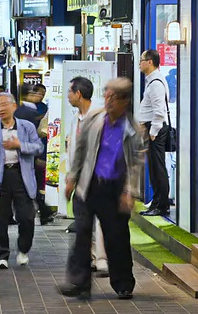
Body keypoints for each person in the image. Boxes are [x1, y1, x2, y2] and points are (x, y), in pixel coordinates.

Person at [59, 77, 144, 300]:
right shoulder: (95, 120)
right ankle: (79, 283)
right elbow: (80, 150)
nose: (108, 101)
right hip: (89, 185)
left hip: (115, 189)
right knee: (82, 233)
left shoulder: (133, 129)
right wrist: (72, 178)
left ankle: (123, 283)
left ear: (124, 101)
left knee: (117, 237)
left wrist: (130, 191)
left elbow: (136, 165)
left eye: (113, 98)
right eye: (106, 96)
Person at [0, 93, 44, 269]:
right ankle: (1, 255)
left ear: (14, 106)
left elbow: (38, 147)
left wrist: (20, 145)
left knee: (26, 216)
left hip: (21, 174)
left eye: (4, 105)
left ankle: (23, 249)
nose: (1, 109)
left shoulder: (26, 127)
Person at [67, 76, 108, 276]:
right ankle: (90, 258)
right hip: (80, 178)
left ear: (79, 94)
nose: (68, 96)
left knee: (100, 220)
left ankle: (102, 259)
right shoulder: (75, 118)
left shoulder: (100, 118)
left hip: (98, 177)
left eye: (70, 92)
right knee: (83, 221)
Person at [137, 49, 170, 217]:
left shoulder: (156, 83)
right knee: (154, 168)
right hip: (151, 129)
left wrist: (154, 131)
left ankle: (161, 205)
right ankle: (157, 203)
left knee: (158, 168)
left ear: (150, 62)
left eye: (142, 60)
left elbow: (160, 111)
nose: (139, 63)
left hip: (155, 130)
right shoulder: (152, 81)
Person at [15, 83, 52, 224]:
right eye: (37, 93)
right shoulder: (25, 112)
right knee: (31, 185)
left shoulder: (29, 110)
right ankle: (41, 211)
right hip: (30, 154)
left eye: (42, 94)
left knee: (33, 185)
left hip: (32, 153)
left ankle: (42, 211)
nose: (40, 96)